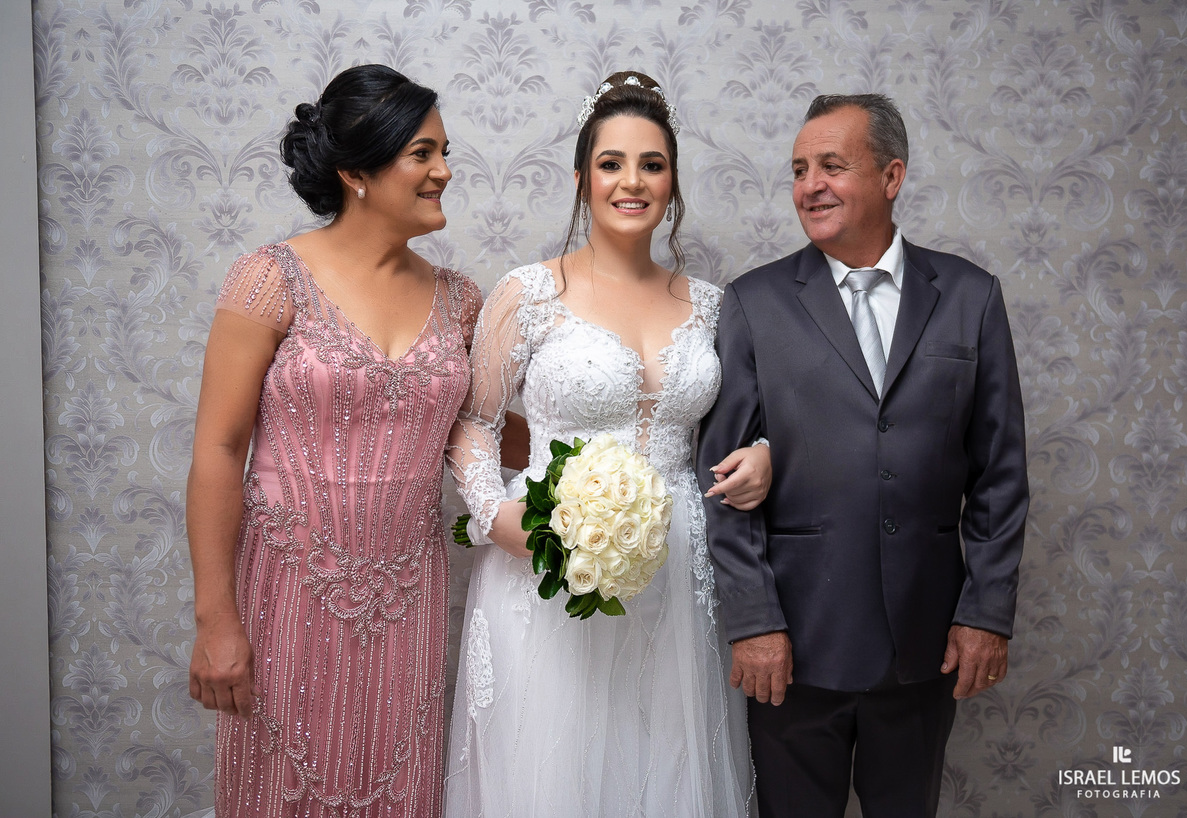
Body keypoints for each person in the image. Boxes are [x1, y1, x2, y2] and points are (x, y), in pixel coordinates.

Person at [186, 64, 514, 818]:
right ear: (357, 172)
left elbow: (486, 433)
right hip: (287, 598)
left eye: (444, 152)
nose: (444, 171)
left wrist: (619, 440)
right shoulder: (270, 279)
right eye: (422, 153)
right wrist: (215, 617)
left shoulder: (462, 300)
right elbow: (218, 450)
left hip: (408, 602)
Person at [444, 71, 768, 816]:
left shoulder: (715, 307)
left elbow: (746, 424)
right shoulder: (527, 295)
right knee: (554, 767)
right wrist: (497, 517)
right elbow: (476, 423)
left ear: (672, 182)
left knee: (665, 763)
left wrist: (766, 454)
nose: (632, 181)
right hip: (549, 556)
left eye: (652, 164)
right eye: (612, 163)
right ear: (583, 178)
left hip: (680, 570)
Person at [698, 93, 1028, 818]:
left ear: (891, 175)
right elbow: (719, 478)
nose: (810, 186)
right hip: (794, 643)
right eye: (799, 170)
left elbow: (1000, 476)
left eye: (832, 166)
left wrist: (986, 613)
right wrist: (754, 622)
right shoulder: (754, 303)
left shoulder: (970, 296)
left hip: (926, 639)